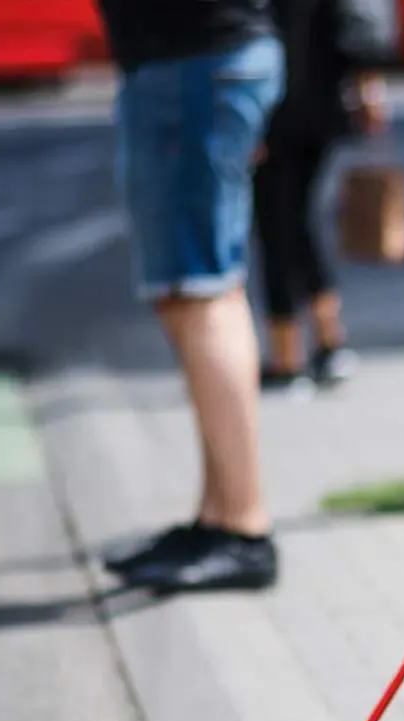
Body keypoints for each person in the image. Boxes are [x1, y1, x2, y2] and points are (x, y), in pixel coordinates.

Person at [95, 0, 286, 592]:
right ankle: (218, 515)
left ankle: (242, 528)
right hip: (191, 62)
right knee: (188, 292)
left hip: (196, 63)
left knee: (201, 289)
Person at [254, 0, 390, 396]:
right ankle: (329, 341)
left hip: (271, 107)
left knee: (276, 224)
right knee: (295, 221)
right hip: (319, 101)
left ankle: (288, 357)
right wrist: (368, 85)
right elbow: (352, 19)